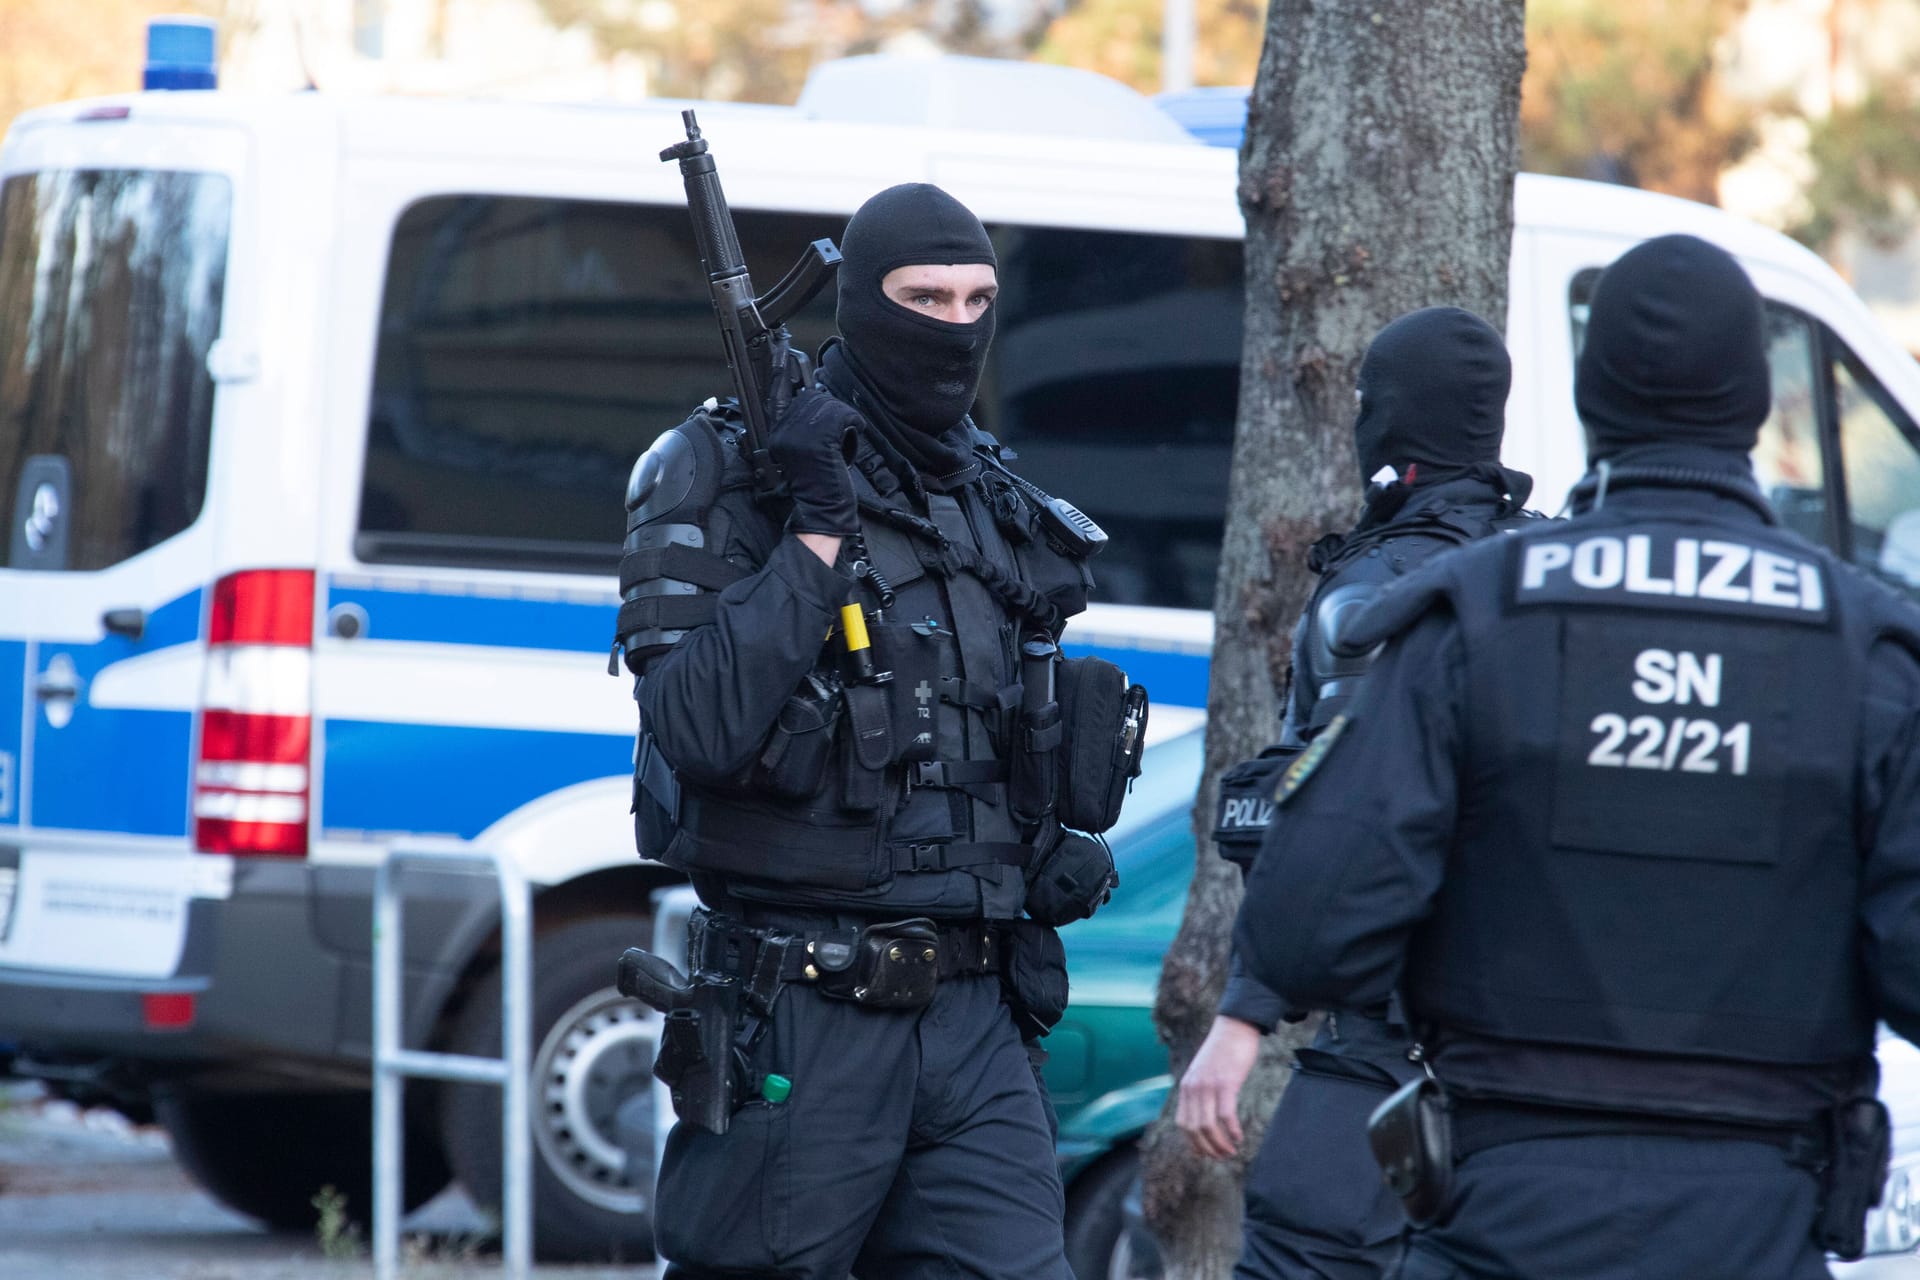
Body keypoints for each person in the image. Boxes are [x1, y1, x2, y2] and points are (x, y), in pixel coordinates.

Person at [1235, 233, 1920, 1279]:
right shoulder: (1865, 647)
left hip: (1502, 1209)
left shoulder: (1469, 616)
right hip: (1754, 1219)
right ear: (1756, 407)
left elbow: (1307, 929)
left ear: (1594, 404)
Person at [614, 183, 1140, 1279]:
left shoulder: (985, 496)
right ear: (860, 303)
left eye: (977, 298)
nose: (954, 327)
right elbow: (695, 723)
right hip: (805, 1012)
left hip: (977, 1013)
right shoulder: (722, 471)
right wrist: (812, 530)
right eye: (923, 297)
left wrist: (1049, 848)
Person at [1176, 306, 1537, 1280]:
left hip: (1390, 1051)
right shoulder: (1555, 575)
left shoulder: (1371, 600)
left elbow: (1345, 828)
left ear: (1385, 424)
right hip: (1546, 1077)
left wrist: (1244, 1011)